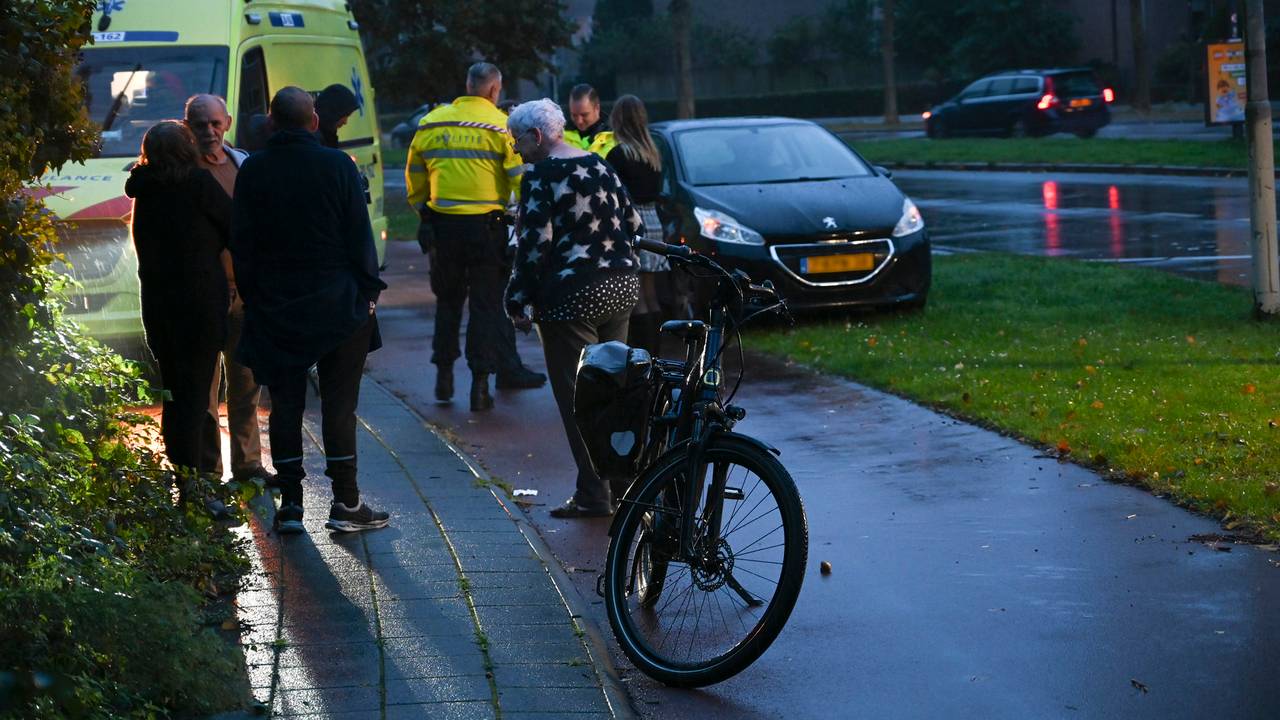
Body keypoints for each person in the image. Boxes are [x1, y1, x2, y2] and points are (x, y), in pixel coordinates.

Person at [231, 87, 390, 534]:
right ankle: (346, 502)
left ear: (271, 122)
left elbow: (242, 243)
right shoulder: (337, 165)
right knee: (339, 407)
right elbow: (358, 235)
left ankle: (291, 506)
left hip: (277, 307)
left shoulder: (254, 170)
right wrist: (368, 293)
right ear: (314, 121)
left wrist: (256, 296)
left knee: (285, 406)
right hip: (339, 305)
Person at [505, 99, 642, 518]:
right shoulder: (601, 165)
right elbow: (635, 224)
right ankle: (626, 485)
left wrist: (516, 298)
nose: (515, 150)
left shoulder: (541, 175)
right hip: (621, 287)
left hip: (572, 297)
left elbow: (534, 246)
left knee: (578, 398)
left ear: (538, 136)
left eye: (517, 140)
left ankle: (593, 494)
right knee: (614, 390)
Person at [406, 62, 546, 411]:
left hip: (443, 228)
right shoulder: (501, 126)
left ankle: (444, 376)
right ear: (495, 90)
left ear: (468, 85)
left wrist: (424, 211)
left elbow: (415, 175)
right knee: (485, 307)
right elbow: (519, 178)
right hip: (488, 230)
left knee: (448, 301)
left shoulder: (432, 122)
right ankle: (480, 387)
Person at [124, 121, 229, 501]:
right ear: (186, 149)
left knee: (174, 394)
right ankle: (196, 488)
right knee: (196, 395)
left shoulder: (143, 190)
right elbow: (235, 225)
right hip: (199, 305)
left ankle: (188, 479)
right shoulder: (199, 186)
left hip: (159, 307)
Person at [183, 94, 275, 489]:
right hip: (203, 295)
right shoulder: (182, 172)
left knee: (246, 382)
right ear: (187, 125)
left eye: (215, 123)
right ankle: (208, 471)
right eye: (200, 124)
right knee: (203, 386)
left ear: (228, 122)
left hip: (246, 291)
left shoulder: (244, 166)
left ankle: (248, 464)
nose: (209, 131)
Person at [604, 95, 670, 354]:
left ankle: (642, 356)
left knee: (637, 297)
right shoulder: (652, 153)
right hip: (653, 221)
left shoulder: (618, 154)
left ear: (618, 120)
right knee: (651, 294)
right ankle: (656, 353)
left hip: (631, 224)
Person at [564, 84, 616, 156]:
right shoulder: (560, 136)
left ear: (597, 108)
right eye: (574, 115)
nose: (579, 121)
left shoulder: (614, 135)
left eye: (584, 115)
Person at [315, 83, 360, 148]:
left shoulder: (327, 136)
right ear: (333, 112)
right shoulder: (314, 142)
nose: (345, 122)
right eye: (345, 116)